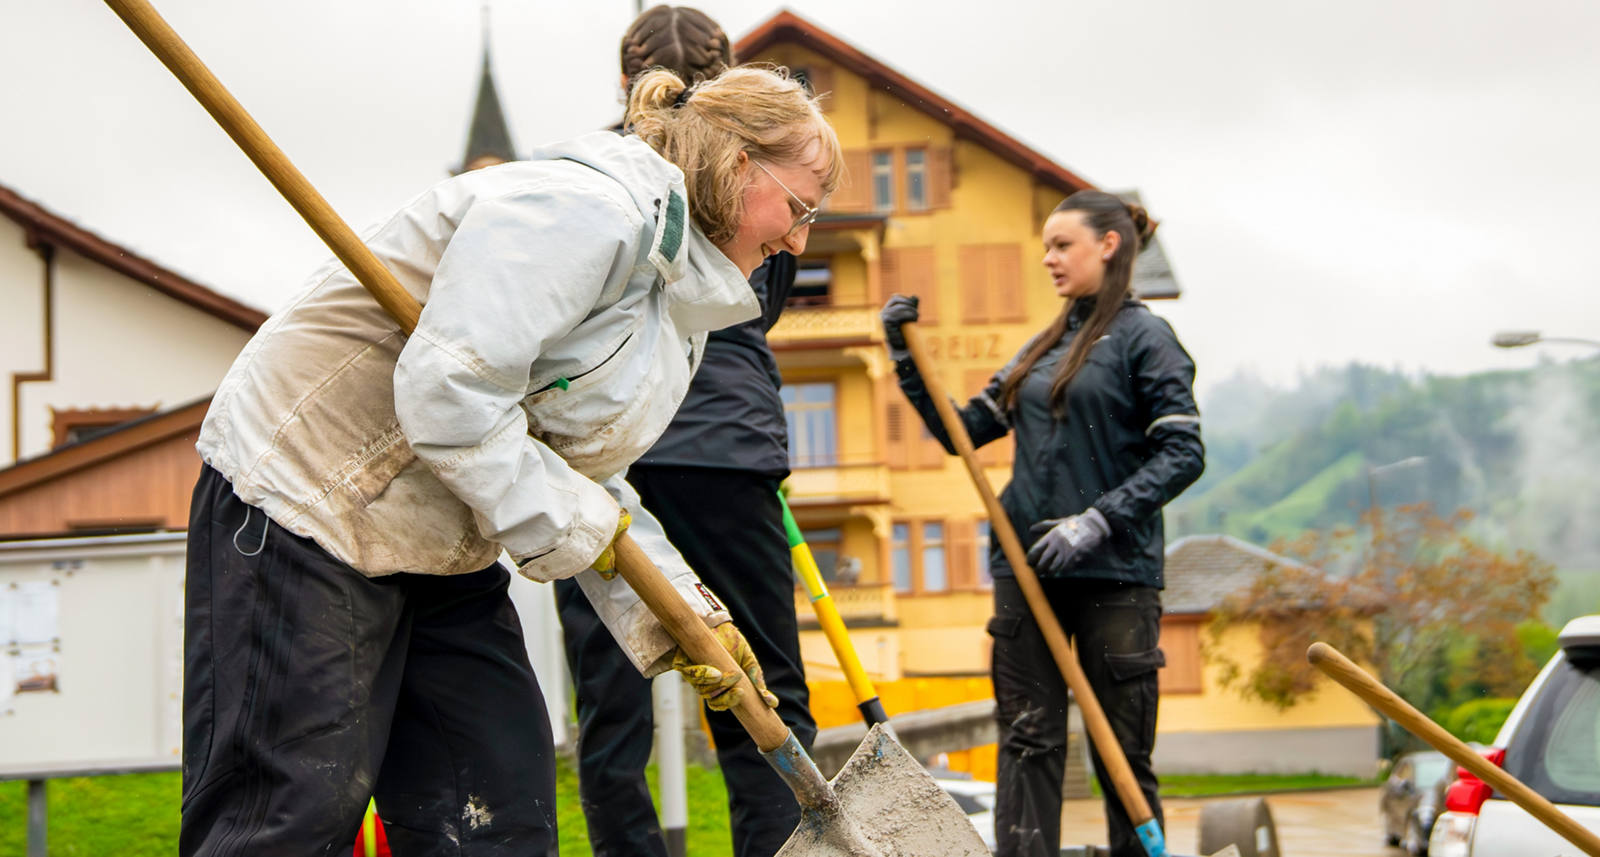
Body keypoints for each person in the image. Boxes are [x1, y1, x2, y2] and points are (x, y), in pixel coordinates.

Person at [180, 64, 840, 856]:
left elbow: (580, 474)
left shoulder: (674, 304)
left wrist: (686, 608)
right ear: (738, 166)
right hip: (309, 498)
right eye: (799, 208)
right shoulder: (579, 212)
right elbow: (450, 392)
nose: (798, 240)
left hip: (438, 534)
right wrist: (584, 528)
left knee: (496, 814)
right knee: (288, 815)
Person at [554, 8, 818, 857]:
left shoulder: (588, 165)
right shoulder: (757, 169)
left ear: (621, 80)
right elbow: (760, 299)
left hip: (603, 446)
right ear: (736, 73)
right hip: (721, 447)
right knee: (762, 682)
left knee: (611, 693)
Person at [880, 190, 1204, 857]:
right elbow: (962, 433)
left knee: (1121, 750)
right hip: (1027, 573)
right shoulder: (1043, 347)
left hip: (1116, 576)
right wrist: (906, 358)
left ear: (1107, 246)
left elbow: (1184, 452)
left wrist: (1097, 520)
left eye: (1063, 245)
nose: (1049, 259)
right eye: (1046, 246)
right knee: (1028, 742)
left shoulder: (1147, 339)